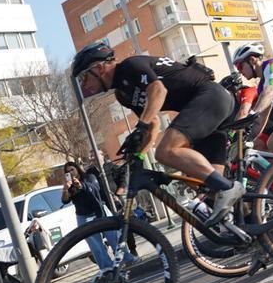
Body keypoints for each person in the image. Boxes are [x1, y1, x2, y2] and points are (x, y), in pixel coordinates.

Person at [72, 43, 243, 225]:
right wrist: (137, 155)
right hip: (206, 110)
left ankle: (228, 187)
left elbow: (158, 91)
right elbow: (152, 124)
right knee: (202, 182)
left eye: (83, 77)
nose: (84, 84)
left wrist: (141, 125)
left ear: (99, 67)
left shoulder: (131, 66)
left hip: (210, 96)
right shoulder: (123, 95)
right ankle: (248, 223)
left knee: (166, 151)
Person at [61, 160, 120, 270]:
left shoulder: (89, 177)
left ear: (77, 169)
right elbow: (65, 200)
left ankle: (126, 259)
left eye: (72, 169)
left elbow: (95, 189)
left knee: (114, 238)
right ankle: (107, 267)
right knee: (96, 246)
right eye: (67, 172)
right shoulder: (69, 186)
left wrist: (81, 186)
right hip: (84, 216)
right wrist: (65, 190)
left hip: (99, 211)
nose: (71, 173)